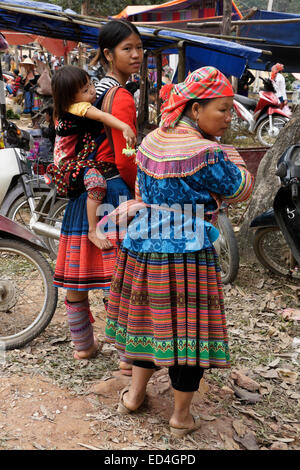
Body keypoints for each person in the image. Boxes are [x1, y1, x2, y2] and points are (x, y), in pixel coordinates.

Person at [104, 66, 254, 436]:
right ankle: (181, 418)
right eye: (222, 109)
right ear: (196, 108)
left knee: (147, 321)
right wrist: (232, 157)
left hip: (144, 248)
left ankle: (135, 395)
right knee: (190, 334)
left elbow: (140, 188)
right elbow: (241, 188)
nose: (228, 117)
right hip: (188, 254)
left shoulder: (152, 140)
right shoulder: (207, 153)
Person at [52, 20, 142, 365]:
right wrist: (137, 190)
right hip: (109, 188)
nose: (136, 55)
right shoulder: (116, 96)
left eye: (138, 47)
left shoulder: (97, 89)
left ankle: (83, 346)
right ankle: (127, 356)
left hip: (82, 192)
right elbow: (124, 155)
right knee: (116, 277)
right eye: (127, 49)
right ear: (108, 54)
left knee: (78, 273)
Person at [50, 65, 136, 250]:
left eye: (91, 85)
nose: (93, 91)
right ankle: (92, 230)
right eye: (86, 90)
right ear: (70, 97)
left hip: (72, 163)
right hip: (69, 166)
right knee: (97, 183)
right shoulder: (79, 108)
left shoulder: (65, 110)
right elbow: (103, 116)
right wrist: (125, 127)